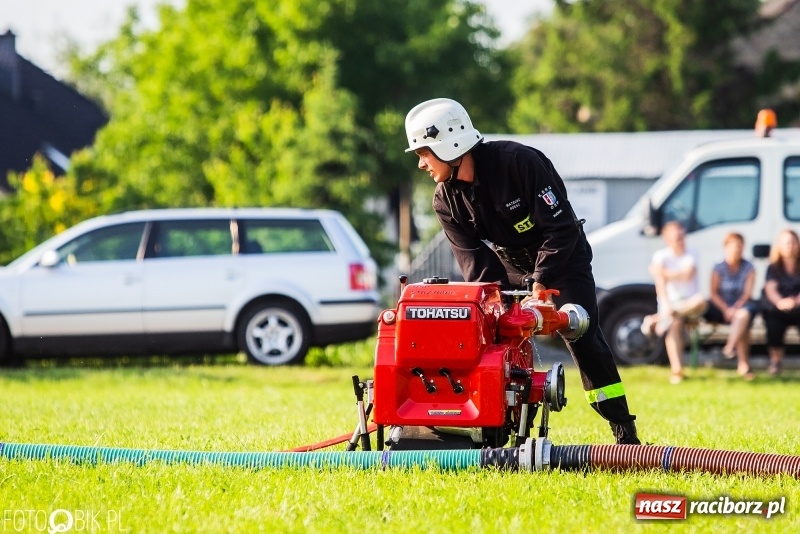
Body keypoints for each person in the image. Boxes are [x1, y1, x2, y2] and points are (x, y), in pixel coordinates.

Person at [404, 98, 641, 445]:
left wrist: (541, 282)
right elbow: (474, 261)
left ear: (448, 143)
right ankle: (491, 431)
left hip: (563, 259)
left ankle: (623, 431)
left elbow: (561, 230)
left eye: (423, 153)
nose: (422, 164)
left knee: (584, 336)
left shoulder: (520, 162)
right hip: (510, 267)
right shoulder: (444, 200)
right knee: (489, 335)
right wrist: (494, 304)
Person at [642, 221, 707, 384]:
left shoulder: (692, 252)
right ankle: (677, 370)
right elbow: (661, 287)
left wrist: (661, 272)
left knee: (701, 301)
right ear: (667, 239)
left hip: (691, 304)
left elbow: (687, 275)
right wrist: (667, 305)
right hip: (670, 304)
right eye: (677, 237)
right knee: (675, 323)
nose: (681, 240)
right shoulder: (661, 255)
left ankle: (657, 319)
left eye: (682, 236)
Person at [704, 232, 757, 380]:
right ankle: (743, 364)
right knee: (741, 321)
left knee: (742, 317)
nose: (737, 249)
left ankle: (729, 347)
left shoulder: (749, 267)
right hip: (721, 306)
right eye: (734, 246)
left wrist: (735, 308)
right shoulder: (718, 267)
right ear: (726, 247)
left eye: (740, 246)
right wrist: (726, 309)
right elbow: (713, 293)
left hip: (742, 306)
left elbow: (747, 294)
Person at [761, 228, 800, 376]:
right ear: (779, 246)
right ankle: (776, 361)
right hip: (779, 307)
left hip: (799, 306)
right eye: (786, 243)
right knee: (773, 323)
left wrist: (795, 301)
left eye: (792, 242)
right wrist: (781, 302)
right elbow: (770, 289)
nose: (789, 246)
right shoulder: (773, 267)